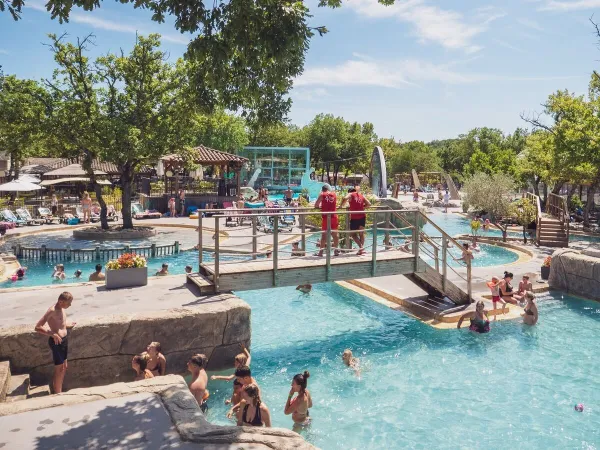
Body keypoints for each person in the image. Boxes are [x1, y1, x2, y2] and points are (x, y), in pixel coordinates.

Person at [35, 292, 76, 393]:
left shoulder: (61, 308)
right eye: (68, 303)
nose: (70, 305)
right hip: (57, 342)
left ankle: (59, 390)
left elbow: (60, 322)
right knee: (60, 369)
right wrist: (52, 334)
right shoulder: (52, 311)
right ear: (61, 301)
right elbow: (37, 327)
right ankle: (58, 394)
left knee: (64, 367)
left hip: (64, 340)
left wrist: (67, 325)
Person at [341, 186, 371, 255]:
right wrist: (362, 207)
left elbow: (345, 198)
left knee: (353, 234)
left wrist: (341, 206)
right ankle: (361, 250)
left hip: (354, 217)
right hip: (362, 216)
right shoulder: (361, 195)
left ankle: (361, 248)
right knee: (361, 234)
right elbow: (369, 204)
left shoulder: (351, 194)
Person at [314, 185, 339, 257]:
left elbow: (316, 205)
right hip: (334, 216)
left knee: (324, 235)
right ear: (328, 189)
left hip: (326, 217)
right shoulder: (334, 194)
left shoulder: (322, 194)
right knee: (335, 235)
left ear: (322, 190)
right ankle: (336, 250)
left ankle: (321, 253)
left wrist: (320, 207)